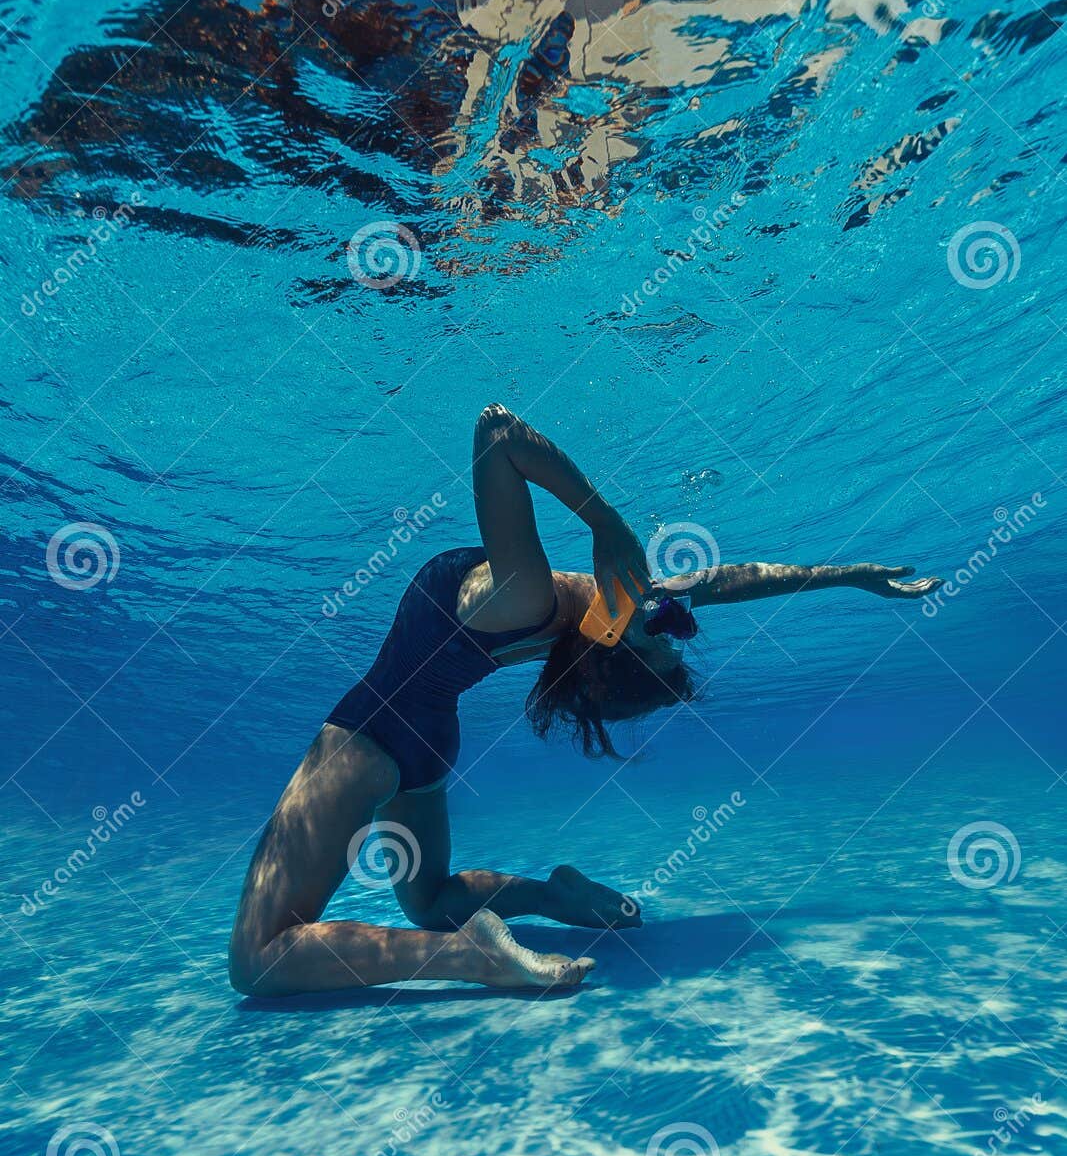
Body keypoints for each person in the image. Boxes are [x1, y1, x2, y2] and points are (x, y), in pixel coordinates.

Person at [228, 405, 941, 997]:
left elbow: (496, 433)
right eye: (663, 629)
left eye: (654, 635)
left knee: (259, 959)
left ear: (605, 658)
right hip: (429, 748)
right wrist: (844, 575)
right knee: (432, 899)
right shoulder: (593, 613)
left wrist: (604, 520)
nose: (663, 620)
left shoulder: (530, 597)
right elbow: (727, 582)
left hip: (369, 738)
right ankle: (554, 897)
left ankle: (472, 960)